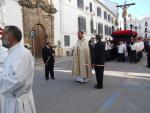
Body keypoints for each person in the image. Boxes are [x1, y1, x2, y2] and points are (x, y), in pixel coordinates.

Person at [0, 26, 36, 113]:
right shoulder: (13, 52)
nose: (1, 38)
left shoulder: (22, 54)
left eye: (3, 35)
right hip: (11, 100)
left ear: (10, 36)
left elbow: (16, 80)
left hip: (18, 104)